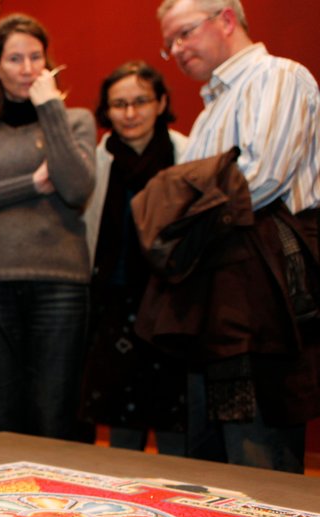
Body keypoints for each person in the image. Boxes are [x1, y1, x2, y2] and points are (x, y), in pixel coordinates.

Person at [153, 0, 320, 472]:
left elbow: (260, 178)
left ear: (226, 19)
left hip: (262, 290)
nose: (177, 49)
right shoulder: (209, 112)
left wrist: (175, 215)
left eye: (183, 34)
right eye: (169, 43)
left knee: (259, 458)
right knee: (212, 462)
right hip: (216, 293)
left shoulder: (277, 77)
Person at [0, 13, 96, 440]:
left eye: (35, 57)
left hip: (60, 283)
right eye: (14, 58)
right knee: (1, 418)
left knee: (52, 416)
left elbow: (77, 187)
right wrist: (30, 184)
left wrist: (50, 107)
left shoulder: (74, 119)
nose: (27, 68)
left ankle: (53, 508)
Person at [79, 61, 189, 455]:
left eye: (140, 101)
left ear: (160, 103)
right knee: (121, 415)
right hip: (115, 298)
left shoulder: (185, 151)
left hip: (174, 299)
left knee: (176, 413)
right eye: (118, 104)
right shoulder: (98, 159)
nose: (129, 114)